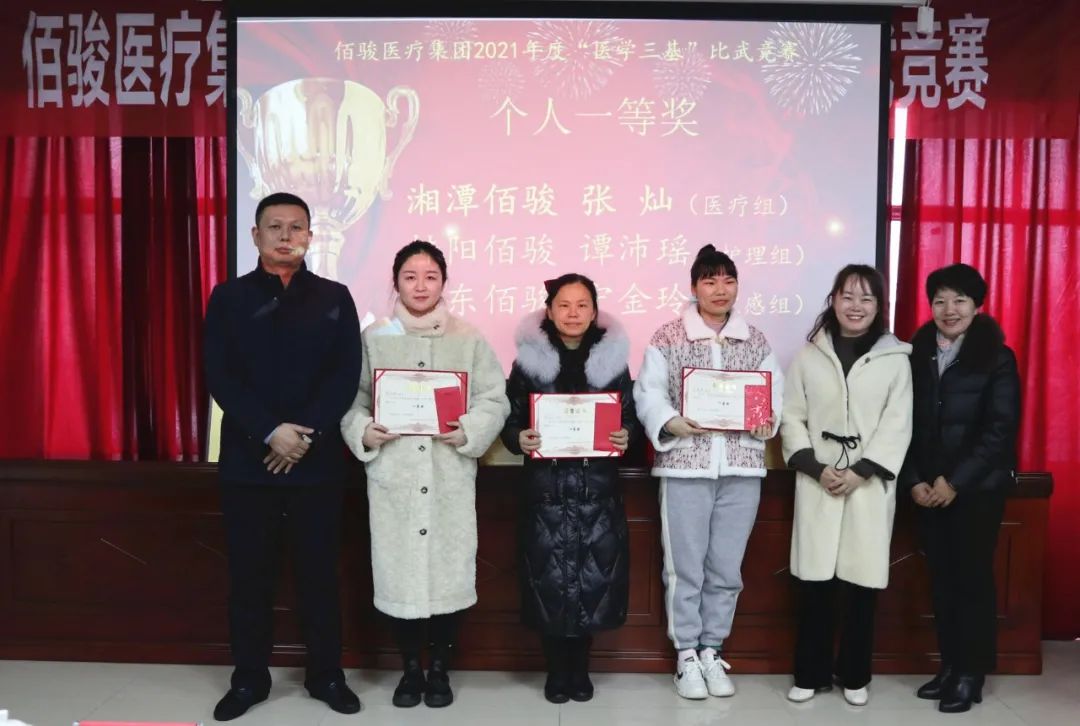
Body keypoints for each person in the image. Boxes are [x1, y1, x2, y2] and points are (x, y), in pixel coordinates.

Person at [203, 192, 363, 721]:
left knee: (320, 574)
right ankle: (249, 678)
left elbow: (344, 376)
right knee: (250, 576)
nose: (286, 236)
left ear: (311, 237)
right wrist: (271, 432)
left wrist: (302, 436)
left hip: (317, 464)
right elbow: (221, 375)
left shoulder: (335, 297)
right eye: (275, 226)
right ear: (256, 235)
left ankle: (326, 675)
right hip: (249, 463)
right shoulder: (228, 298)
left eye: (297, 227)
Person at [340, 241, 510, 709]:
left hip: (447, 476)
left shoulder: (468, 338)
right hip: (394, 477)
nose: (420, 286)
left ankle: (440, 669)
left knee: (447, 577)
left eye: (430, 276)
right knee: (400, 579)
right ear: (395, 282)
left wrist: (470, 429)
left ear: (444, 282)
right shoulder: (375, 338)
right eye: (410, 276)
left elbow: (494, 398)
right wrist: (363, 430)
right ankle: (410, 670)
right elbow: (351, 401)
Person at [633, 244, 783, 700]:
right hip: (686, 467)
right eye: (710, 281)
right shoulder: (668, 335)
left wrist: (767, 420)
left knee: (726, 567)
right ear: (693, 287)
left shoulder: (755, 340)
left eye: (728, 280)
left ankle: (712, 649)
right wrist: (669, 421)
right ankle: (685, 655)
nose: (720, 290)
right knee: (685, 568)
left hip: (741, 467)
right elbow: (648, 393)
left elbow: (773, 396)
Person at [500, 273, 638, 704]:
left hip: (597, 494)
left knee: (591, 584)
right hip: (546, 494)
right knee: (550, 584)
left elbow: (631, 419)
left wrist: (627, 435)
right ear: (549, 310)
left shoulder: (613, 364)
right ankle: (556, 670)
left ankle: (580, 669)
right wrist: (518, 438)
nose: (573, 313)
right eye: (564, 305)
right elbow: (509, 419)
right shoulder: (528, 364)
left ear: (595, 312)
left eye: (582, 305)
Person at [780, 265, 913, 707]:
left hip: (867, 485)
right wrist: (815, 467)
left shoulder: (895, 359)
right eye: (848, 296)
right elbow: (792, 416)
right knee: (814, 584)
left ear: (879, 307)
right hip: (817, 479)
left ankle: (855, 675)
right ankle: (810, 673)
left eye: (866, 298)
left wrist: (862, 470)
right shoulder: (808, 356)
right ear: (833, 300)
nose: (856, 306)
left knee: (861, 585)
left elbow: (898, 423)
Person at [901, 263, 1020, 714]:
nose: (949, 310)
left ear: (977, 306)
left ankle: (972, 673)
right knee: (942, 582)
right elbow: (901, 423)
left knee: (971, 581)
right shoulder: (914, 353)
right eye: (940, 301)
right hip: (927, 490)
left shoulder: (997, 356)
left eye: (959, 300)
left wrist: (955, 481)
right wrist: (915, 480)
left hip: (976, 491)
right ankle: (950, 666)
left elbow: (1000, 429)